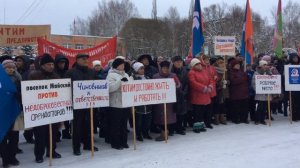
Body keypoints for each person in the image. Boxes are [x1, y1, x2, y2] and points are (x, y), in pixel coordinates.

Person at [28, 54, 62, 163]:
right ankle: (39, 154)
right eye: (48, 64)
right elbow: (29, 92)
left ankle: (51, 151)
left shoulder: (56, 76)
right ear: (42, 65)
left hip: (52, 110)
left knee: (52, 133)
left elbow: (60, 92)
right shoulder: (34, 75)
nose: (51, 66)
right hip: (39, 110)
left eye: (52, 64)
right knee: (40, 134)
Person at [66, 53, 98, 156]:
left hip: (89, 103)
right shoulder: (71, 72)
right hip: (77, 104)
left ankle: (88, 144)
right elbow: (66, 88)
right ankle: (76, 147)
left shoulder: (92, 71)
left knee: (89, 124)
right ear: (77, 60)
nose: (85, 61)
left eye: (87, 59)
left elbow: (97, 85)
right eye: (83, 59)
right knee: (77, 126)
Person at [0, 59, 22, 167]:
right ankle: (5, 159)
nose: (11, 69)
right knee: (3, 136)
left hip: (15, 111)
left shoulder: (18, 79)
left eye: (13, 67)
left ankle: (12, 157)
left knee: (14, 137)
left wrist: (19, 96)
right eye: (8, 67)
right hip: (2, 112)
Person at [106, 58, 131, 149]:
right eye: (121, 64)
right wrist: (120, 82)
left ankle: (123, 141)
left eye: (123, 64)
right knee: (116, 125)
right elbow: (110, 88)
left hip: (125, 102)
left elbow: (131, 87)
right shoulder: (111, 75)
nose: (123, 66)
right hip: (115, 103)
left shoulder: (126, 74)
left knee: (124, 124)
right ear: (116, 65)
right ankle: (115, 143)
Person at [153, 61, 180, 141]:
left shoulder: (173, 76)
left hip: (169, 102)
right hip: (159, 102)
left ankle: (165, 134)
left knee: (168, 118)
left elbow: (179, 86)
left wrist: (176, 84)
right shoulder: (156, 76)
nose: (165, 69)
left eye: (167, 68)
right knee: (160, 118)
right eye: (163, 68)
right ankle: (163, 133)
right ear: (160, 68)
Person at [188, 58, 212, 133]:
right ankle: (196, 127)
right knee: (197, 112)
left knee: (202, 111)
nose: (199, 66)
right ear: (193, 66)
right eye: (197, 64)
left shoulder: (204, 71)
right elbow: (193, 83)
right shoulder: (191, 72)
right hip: (197, 95)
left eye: (199, 64)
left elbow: (210, 79)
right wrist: (203, 88)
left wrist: (210, 86)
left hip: (205, 95)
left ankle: (201, 125)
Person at [15, 55, 35, 144]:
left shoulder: (30, 73)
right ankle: (15, 144)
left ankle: (28, 136)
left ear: (25, 62)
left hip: (26, 100)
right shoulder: (14, 72)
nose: (17, 62)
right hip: (16, 100)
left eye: (20, 61)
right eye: (17, 60)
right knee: (17, 122)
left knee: (28, 120)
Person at [131, 62, 153, 141]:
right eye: (140, 68)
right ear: (136, 69)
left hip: (147, 103)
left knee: (147, 120)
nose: (142, 70)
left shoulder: (147, 78)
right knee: (138, 121)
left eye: (143, 68)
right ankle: (138, 134)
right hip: (138, 104)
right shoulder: (133, 78)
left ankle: (146, 132)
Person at [54, 54, 71, 141]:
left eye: (63, 62)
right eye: (60, 62)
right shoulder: (53, 72)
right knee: (57, 117)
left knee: (67, 116)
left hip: (66, 97)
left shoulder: (68, 72)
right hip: (56, 98)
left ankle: (66, 133)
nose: (62, 64)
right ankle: (57, 134)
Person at [171, 56, 188, 135]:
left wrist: (184, 91)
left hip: (182, 94)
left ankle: (179, 128)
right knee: (173, 112)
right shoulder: (171, 72)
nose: (178, 63)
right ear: (173, 63)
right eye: (177, 61)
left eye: (180, 62)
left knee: (181, 112)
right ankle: (172, 127)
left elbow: (187, 83)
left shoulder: (184, 71)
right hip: (173, 95)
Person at [229, 59, 249, 124]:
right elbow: (233, 81)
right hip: (236, 92)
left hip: (244, 92)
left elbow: (246, 78)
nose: (238, 66)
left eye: (238, 65)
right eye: (236, 65)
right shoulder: (231, 72)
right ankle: (236, 118)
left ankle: (244, 118)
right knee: (236, 107)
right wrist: (242, 79)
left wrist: (243, 78)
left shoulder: (242, 71)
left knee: (244, 107)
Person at [252, 60, 270, 125]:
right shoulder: (256, 73)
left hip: (266, 93)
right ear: (261, 66)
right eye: (264, 65)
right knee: (260, 107)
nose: (265, 66)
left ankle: (262, 119)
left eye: (266, 65)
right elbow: (253, 83)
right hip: (260, 93)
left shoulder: (268, 72)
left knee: (265, 107)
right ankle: (257, 119)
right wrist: (257, 89)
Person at [289, 53, 300, 121]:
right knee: (294, 102)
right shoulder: (289, 66)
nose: (295, 59)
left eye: (296, 58)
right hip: (292, 87)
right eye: (294, 58)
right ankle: (294, 116)